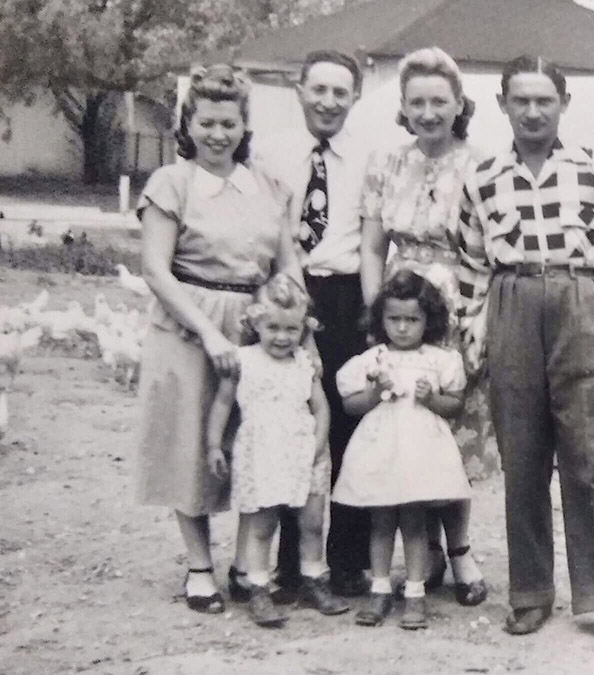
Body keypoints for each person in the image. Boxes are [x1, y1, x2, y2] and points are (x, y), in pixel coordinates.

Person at [456, 55, 594, 657]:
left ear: (563, 103)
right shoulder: (483, 176)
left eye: (545, 100)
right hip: (511, 304)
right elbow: (468, 262)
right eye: (522, 100)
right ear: (502, 105)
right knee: (524, 457)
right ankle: (532, 592)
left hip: (578, 300)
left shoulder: (593, 167)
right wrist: (473, 328)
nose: (533, 111)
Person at [134, 64, 301, 614]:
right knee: (191, 444)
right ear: (189, 123)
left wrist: (292, 321)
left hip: (256, 326)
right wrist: (208, 332)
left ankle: (249, 563)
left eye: (228, 123)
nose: (217, 135)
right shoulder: (172, 183)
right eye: (206, 123)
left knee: (257, 443)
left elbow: (286, 264)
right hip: (188, 323)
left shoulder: (267, 186)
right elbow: (156, 269)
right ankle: (199, 567)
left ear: (242, 124)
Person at [358, 46, 490, 609]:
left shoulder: (483, 164)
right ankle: (423, 551)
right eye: (418, 102)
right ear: (404, 107)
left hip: (459, 306)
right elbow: (370, 246)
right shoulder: (386, 162)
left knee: (451, 432)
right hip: (401, 308)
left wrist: (479, 319)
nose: (429, 112)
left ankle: (458, 549)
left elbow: (492, 253)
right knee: (404, 428)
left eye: (440, 101)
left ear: (459, 104)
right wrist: (376, 316)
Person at [255, 49, 373, 599]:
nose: (328, 102)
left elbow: (376, 239)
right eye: (318, 89)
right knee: (287, 419)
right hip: (287, 292)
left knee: (348, 426)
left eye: (340, 92)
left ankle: (346, 560)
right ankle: (285, 564)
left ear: (356, 97)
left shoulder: (372, 156)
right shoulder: (270, 154)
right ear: (299, 90)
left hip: (347, 294)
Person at [205, 274, 350, 627]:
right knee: (262, 524)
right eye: (273, 327)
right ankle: (257, 588)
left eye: (291, 329)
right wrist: (213, 444)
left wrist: (317, 447)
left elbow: (321, 409)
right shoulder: (243, 360)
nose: (282, 337)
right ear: (256, 322)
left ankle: (314, 581)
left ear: (303, 328)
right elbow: (223, 404)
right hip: (262, 453)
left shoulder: (304, 363)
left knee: (313, 522)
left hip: (304, 451)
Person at [333, 271, 473, 629]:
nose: (403, 328)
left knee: (414, 525)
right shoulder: (373, 359)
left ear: (429, 320)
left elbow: (455, 405)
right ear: (381, 319)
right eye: (394, 319)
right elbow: (351, 405)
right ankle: (379, 590)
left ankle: (415, 593)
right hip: (381, 451)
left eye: (412, 319)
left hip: (419, 454)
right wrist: (375, 392)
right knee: (380, 523)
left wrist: (432, 398)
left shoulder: (439, 360)